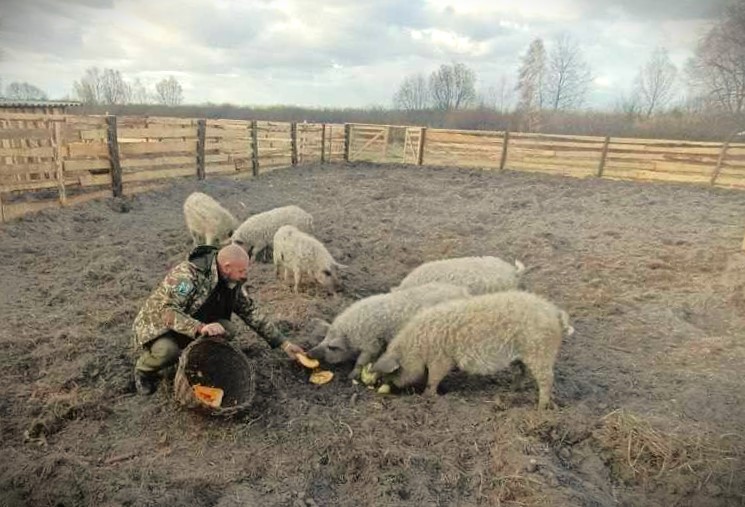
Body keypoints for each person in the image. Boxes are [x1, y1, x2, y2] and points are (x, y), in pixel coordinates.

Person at [132, 243, 305, 395]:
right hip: (161, 327)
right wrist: (199, 327)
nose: (245, 275)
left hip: (193, 322)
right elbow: (167, 312)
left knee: (227, 329)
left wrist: (284, 343)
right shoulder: (188, 275)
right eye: (241, 270)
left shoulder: (232, 281)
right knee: (167, 352)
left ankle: (192, 356)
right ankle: (143, 371)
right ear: (227, 267)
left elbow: (250, 312)